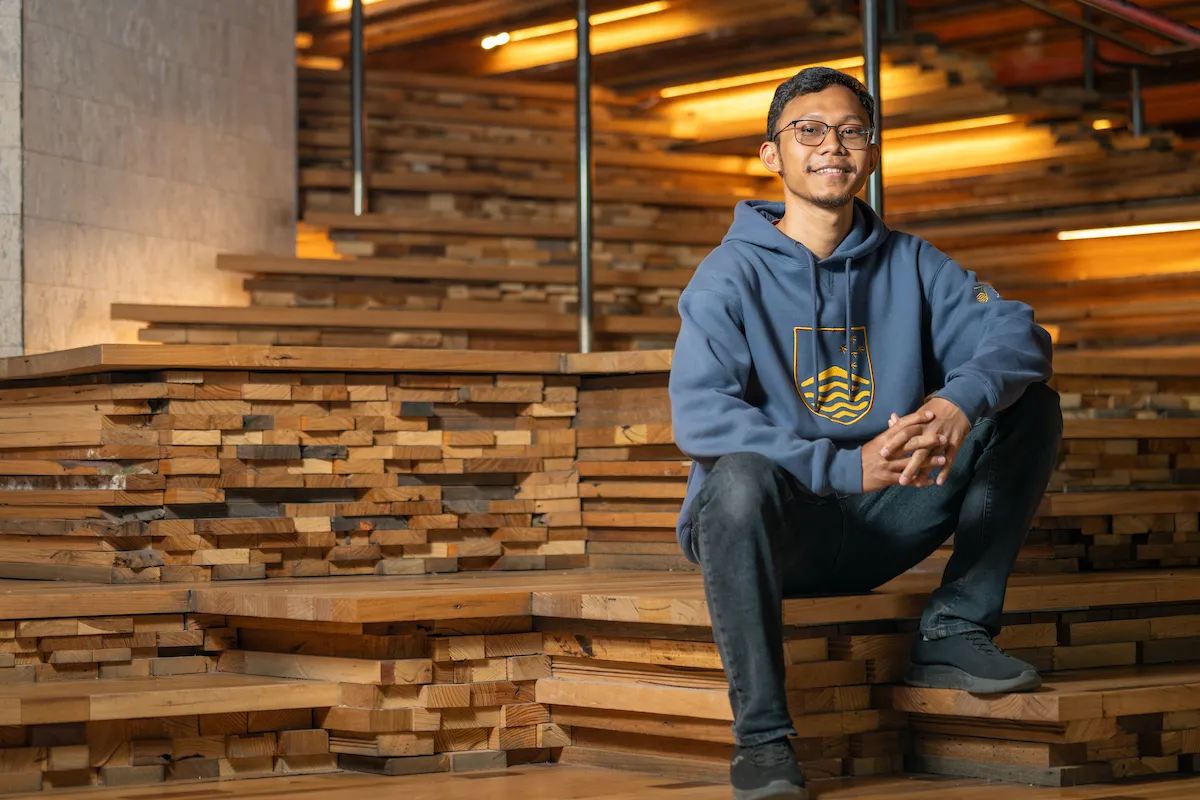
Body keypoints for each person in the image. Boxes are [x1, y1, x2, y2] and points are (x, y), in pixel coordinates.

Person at [667, 66, 1062, 800]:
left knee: (1029, 404)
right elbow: (701, 417)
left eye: (851, 131)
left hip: (886, 517)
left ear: (871, 155)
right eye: (808, 130)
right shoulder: (727, 276)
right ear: (771, 155)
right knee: (738, 475)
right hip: (778, 531)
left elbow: (1019, 331)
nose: (832, 146)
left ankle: (951, 629)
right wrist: (844, 470)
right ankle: (763, 743)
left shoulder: (911, 262)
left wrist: (957, 402)